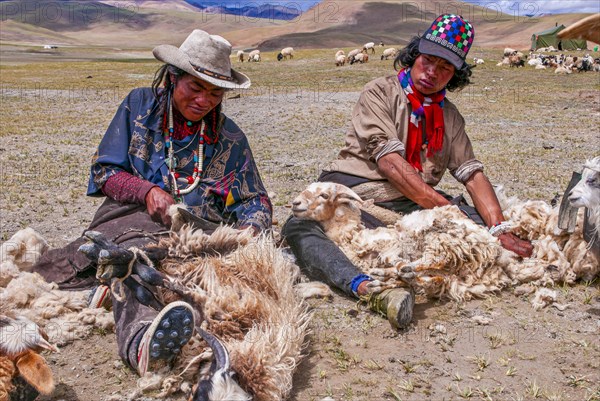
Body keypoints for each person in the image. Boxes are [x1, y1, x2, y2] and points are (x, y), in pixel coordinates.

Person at [32, 30, 272, 376]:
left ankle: (124, 314)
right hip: (129, 216)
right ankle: (141, 335)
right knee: (118, 257)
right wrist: (145, 191)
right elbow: (104, 171)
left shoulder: (230, 138)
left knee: (156, 266)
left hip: (194, 236)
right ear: (174, 77)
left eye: (215, 93)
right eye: (195, 87)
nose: (204, 100)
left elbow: (255, 198)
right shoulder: (139, 106)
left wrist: (251, 227)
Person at [283, 14, 533, 330]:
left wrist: (499, 229)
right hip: (358, 197)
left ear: (455, 75)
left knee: (485, 223)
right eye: (428, 60)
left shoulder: (449, 117)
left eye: (445, 68)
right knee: (300, 227)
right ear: (414, 56)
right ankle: (366, 288)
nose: (433, 73)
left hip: (413, 205)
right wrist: (452, 216)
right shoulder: (380, 93)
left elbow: (471, 173)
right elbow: (390, 163)